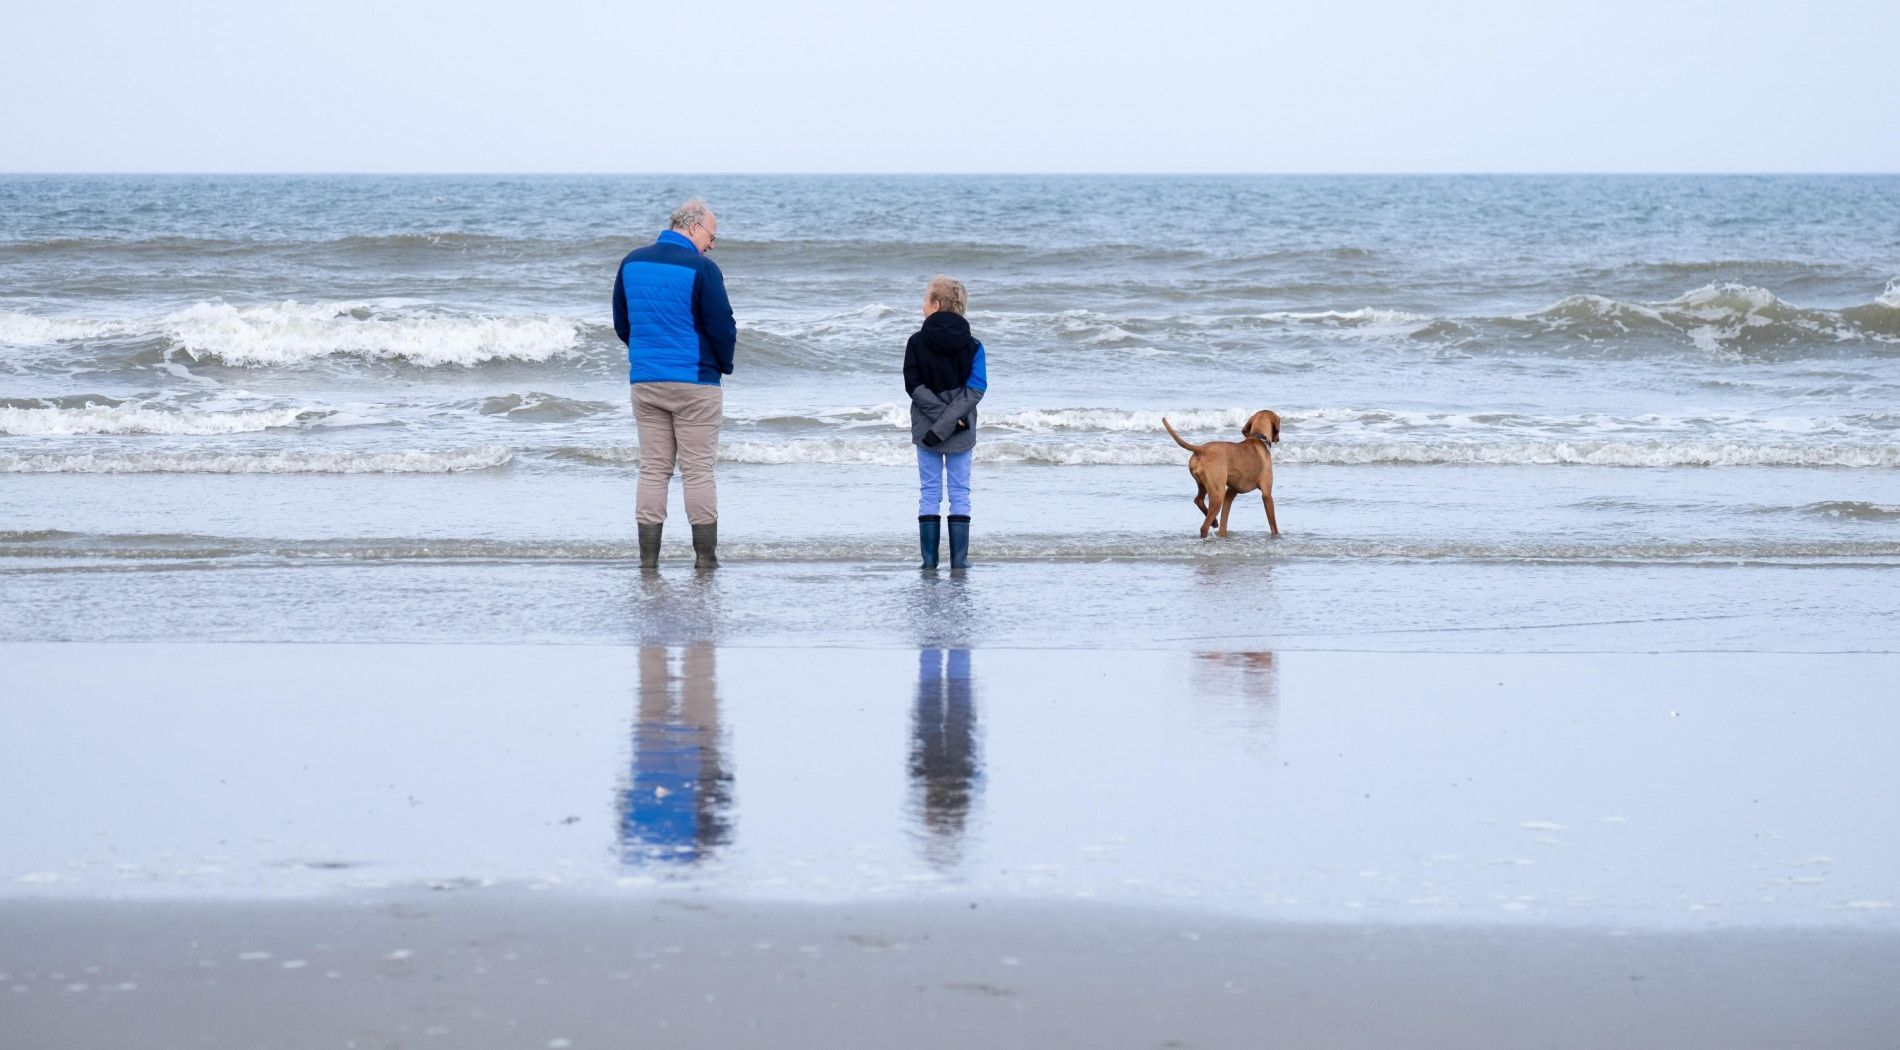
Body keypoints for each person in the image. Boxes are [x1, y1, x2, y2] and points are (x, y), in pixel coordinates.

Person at [612, 198, 737, 569]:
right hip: (695, 381)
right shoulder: (702, 268)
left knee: (653, 469)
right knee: (698, 470)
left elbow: (623, 322)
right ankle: (705, 560)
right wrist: (722, 365)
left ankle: (648, 562)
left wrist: (647, 356)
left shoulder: (632, 262)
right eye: (711, 236)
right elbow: (722, 326)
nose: (712, 244)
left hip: (646, 380)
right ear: (694, 228)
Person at [904, 275, 988, 570]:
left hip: (926, 430)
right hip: (962, 428)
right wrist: (951, 420)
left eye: (925, 299)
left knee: (929, 492)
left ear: (936, 305)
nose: (922, 304)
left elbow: (913, 386)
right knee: (959, 492)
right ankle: (959, 562)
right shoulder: (975, 345)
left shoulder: (915, 342)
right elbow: (975, 390)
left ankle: (928, 563)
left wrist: (938, 424)